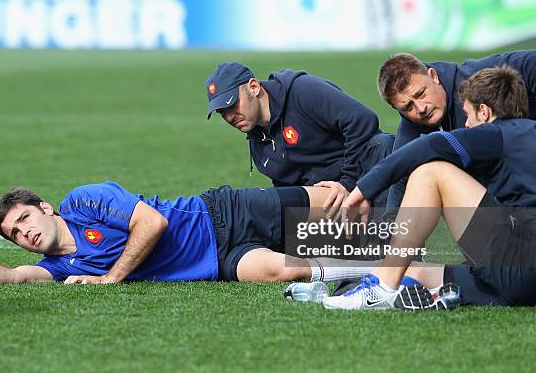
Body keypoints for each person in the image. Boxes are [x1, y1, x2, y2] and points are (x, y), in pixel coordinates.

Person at [323, 65, 536, 309]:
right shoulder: (526, 136)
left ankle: (381, 289)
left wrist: (363, 190)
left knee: (431, 173)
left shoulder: (496, 134)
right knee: (419, 271)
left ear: (485, 112)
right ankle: (372, 282)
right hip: (521, 276)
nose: (465, 124)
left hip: (521, 264)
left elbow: (430, 145)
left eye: (467, 115)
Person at [0, 182, 375, 288]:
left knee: (338, 204)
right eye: (15, 234)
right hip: (219, 261)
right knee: (283, 270)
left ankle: (417, 219)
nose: (25, 233)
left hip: (221, 211)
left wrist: (111, 278)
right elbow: (17, 277)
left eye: (24, 219)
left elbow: (152, 223)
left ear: (45, 208)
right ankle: (389, 270)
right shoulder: (59, 267)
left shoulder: (84, 200)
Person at [205, 62, 395, 213]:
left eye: (233, 105)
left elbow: (362, 120)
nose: (230, 117)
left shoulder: (301, 90)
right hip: (332, 203)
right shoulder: (258, 149)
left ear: (254, 87)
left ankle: (399, 248)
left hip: (362, 176)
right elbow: (292, 196)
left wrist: (348, 184)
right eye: (222, 112)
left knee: (382, 145)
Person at [377, 50, 536, 208]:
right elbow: (398, 187)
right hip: (512, 208)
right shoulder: (410, 131)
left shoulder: (478, 79)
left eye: (421, 94)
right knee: (428, 172)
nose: (421, 108)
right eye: (408, 106)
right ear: (396, 108)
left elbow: (531, 62)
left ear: (433, 76)